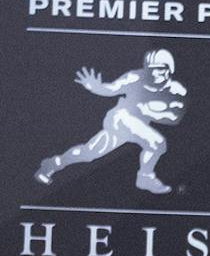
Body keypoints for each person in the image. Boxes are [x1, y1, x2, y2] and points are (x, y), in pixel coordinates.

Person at [34, 49, 186, 193]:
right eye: (151, 68)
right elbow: (112, 89)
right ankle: (145, 178)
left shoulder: (176, 90)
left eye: (159, 68)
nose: (154, 73)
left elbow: (174, 118)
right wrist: (96, 87)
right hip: (121, 118)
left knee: (88, 153)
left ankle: (52, 164)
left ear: (169, 69)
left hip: (135, 127)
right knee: (157, 142)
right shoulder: (135, 77)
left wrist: (150, 112)